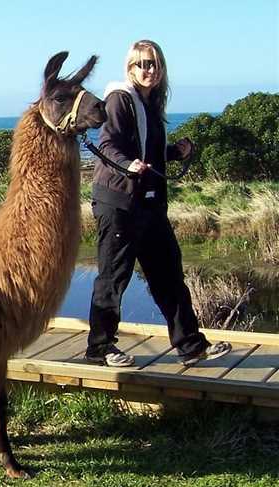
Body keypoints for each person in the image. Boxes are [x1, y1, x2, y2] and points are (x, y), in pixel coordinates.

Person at [85, 40, 231, 368]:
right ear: (129, 68)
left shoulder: (149, 103)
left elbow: (146, 152)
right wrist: (127, 164)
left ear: (161, 67)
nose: (147, 69)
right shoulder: (120, 99)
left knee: (168, 273)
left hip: (148, 204)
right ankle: (99, 348)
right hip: (119, 203)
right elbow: (108, 145)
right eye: (140, 64)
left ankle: (191, 346)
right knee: (114, 277)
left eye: (152, 63)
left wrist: (174, 152)